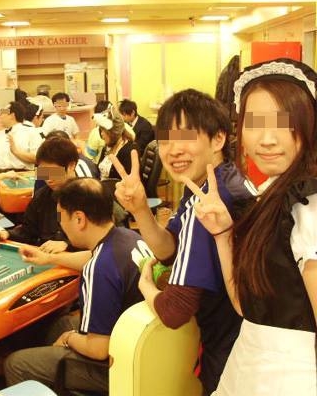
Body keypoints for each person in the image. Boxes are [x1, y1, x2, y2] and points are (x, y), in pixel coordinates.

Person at [181, 59, 317, 395]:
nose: (267, 139)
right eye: (254, 123)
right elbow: (247, 306)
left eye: (284, 123)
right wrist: (223, 233)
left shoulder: (308, 205)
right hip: (249, 365)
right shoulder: (272, 194)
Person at [110, 89, 256, 395]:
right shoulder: (224, 180)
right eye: (165, 140)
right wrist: (139, 209)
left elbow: (174, 310)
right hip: (247, 343)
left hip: (233, 356)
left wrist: (146, 287)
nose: (173, 150)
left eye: (186, 137)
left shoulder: (212, 200)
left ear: (218, 139)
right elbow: (170, 250)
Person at [4, 177, 150, 393]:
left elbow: (99, 349)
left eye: (61, 217)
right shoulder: (129, 237)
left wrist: (70, 338)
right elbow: (93, 257)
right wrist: (50, 258)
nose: (60, 224)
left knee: (16, 363)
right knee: (60, 325)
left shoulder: (99, 269)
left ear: (79, 219)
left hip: (120, 367)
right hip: (144, 348)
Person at [0, 136, 78, 251]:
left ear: (71, 166)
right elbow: (28, 231)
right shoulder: (41, 196)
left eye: (54, 172)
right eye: (44, 172)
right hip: (44, 256)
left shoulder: (89, 195)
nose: (49, 179)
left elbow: (97, 241)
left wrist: (67, 244)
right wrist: (7, 234)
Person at [0, 101, 36, 173]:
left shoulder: (31, 132)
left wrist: (16, 152)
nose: (0, 116)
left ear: (12, 115)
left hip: (22, 174)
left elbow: (37, 158)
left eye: (3, 113)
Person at [96, 104, 136, 180]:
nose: (101, 134)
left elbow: (126, 180)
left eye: (104, 130)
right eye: (101, 130)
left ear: (114, 132)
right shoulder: (107, 147)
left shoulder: (128, 150)